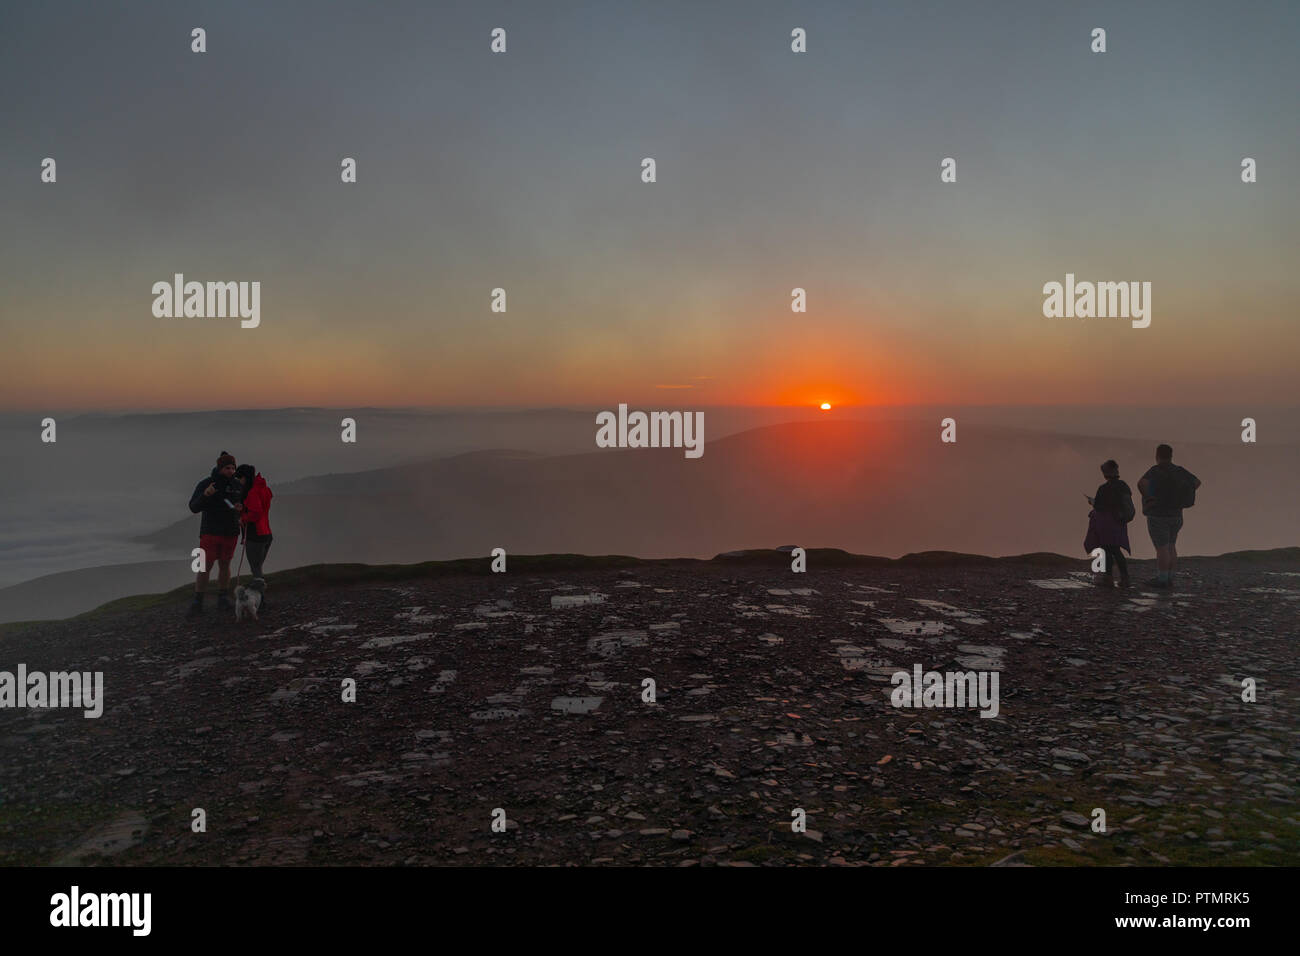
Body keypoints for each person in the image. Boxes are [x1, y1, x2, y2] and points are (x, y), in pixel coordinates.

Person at [186, 451, 246, 617]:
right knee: (205, 567)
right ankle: (198, 601)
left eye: (233, 468)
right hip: (210, 532)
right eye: (227, 468)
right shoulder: (207, 483)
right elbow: (193, 507)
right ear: (219, 468)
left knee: (225, 565)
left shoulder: (237, 485)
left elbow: (243, 508)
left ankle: (222, 598)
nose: (231, 471)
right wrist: (206, 494)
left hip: (231, 532)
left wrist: (241, 512)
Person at [1137, 444, 1201, 589]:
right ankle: (1170, 577)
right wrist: (1182, 495)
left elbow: (1141, 483)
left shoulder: (1155, 471)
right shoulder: (1179, 471)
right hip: (1176, 514)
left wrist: (1149, 497)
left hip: (1158, 514)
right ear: (1171, 455)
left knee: (1161, 548)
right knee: (1171, 545)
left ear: (1157, 455)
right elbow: (1196, 482)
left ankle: (1162, 579)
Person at [1084, 459, 1133, 587]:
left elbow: (1099, 507)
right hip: (1119, 522)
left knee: (1106, 550)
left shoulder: (1103, 488)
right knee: (1116, 549)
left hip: (1106, 524)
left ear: (1106, 473)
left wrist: (1092, 502)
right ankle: (1125, 578)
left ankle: (1108, 578)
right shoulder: (1124, 486)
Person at [234, 464, 274, 609]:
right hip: (267, 534)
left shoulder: (251, 492)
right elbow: (262, 507)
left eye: (239, 478)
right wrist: (244, 509)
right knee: (258, 567)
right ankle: (260, 598)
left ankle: (261, 600)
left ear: (244, 478)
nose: (239, 482)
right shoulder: (263, 488)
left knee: (256, 569)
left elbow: (255, 514)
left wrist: (243, 517)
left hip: (255, 536)